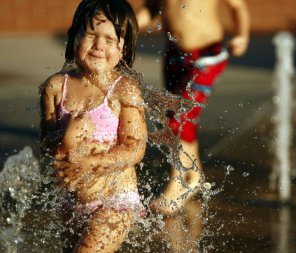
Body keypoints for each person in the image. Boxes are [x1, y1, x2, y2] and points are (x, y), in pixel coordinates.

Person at [39, 0, 147, 252]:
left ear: (124, 49)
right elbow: (45, 143)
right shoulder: (55, 87)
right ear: (74, 35)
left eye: (110, 40)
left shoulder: (124, 90)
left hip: (116, 200)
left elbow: (135, 148)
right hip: (73, 201)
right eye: (90, 35)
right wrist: (67, 138)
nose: (99, 45)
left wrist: (91, 163)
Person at [136, 0, 250, 215]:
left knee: (178, 117)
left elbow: (238, 6)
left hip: (207, 55)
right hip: (175, 55)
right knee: (179, 117)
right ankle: (193, 175)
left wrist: (241, 35)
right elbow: (149, 11)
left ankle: (177, 183)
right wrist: (124, 25)